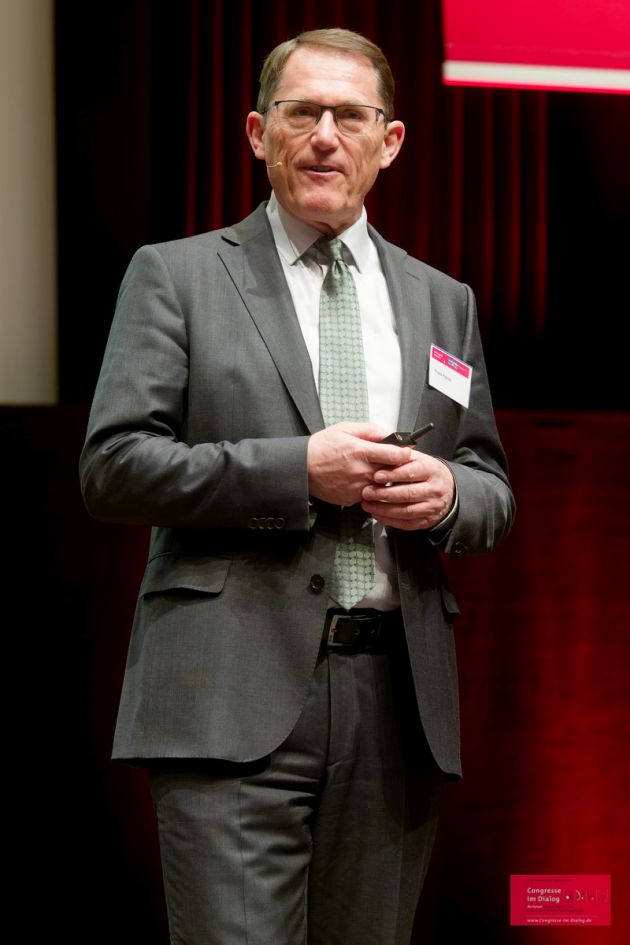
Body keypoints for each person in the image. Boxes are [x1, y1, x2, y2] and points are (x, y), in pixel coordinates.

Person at [80, 27, 515, 945]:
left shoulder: (445, 301)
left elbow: (491, 487)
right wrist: (297, 470)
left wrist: (446, 494)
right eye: (300, 112)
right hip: (228, 696)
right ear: (256, 132)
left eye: (349, 116)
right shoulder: (177, 275)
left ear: (388, 142)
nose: (324, 135)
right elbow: (114, 467)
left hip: (395, 708)